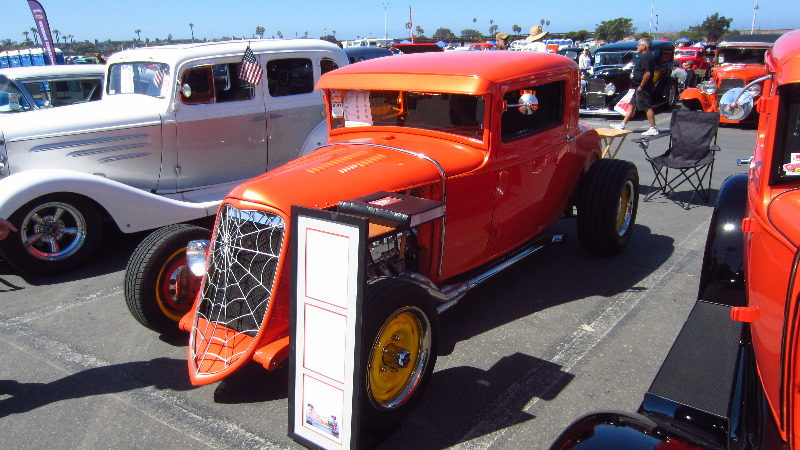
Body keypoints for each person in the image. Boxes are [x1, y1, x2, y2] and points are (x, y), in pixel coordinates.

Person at [611, 38, 659, 136]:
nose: (637, 46)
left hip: (643, 87)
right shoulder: (645, 56)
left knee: (646, 107)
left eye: (639, 45)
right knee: (631, 106)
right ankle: (622, 125)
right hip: (637, 86)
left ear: (644, 47)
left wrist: (641, 85)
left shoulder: (647, 57)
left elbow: (647, 73)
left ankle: (653, 128)